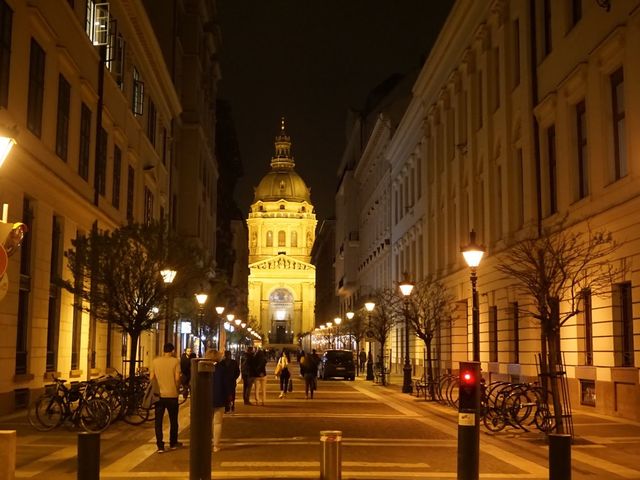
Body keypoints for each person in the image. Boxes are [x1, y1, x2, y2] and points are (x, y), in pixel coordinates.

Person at [150, 342, 181, 453]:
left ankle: (160, 446)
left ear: (163, 350)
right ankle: (173, 442)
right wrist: (177, 388)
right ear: (172, 351)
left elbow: (152, 378)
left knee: (158, 421)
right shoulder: (175, 361)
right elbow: (177, 379)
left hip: (159, 396)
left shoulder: (155, 361)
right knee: (173, 420)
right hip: (172, 395)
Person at [205, 349, 229, 453]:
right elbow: (226, 384)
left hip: (206, 399)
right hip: (220, 398)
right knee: (218, 423)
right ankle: (216, 445)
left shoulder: (203, 368)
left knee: (206, 422)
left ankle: (206, 443)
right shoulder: (222, 368)